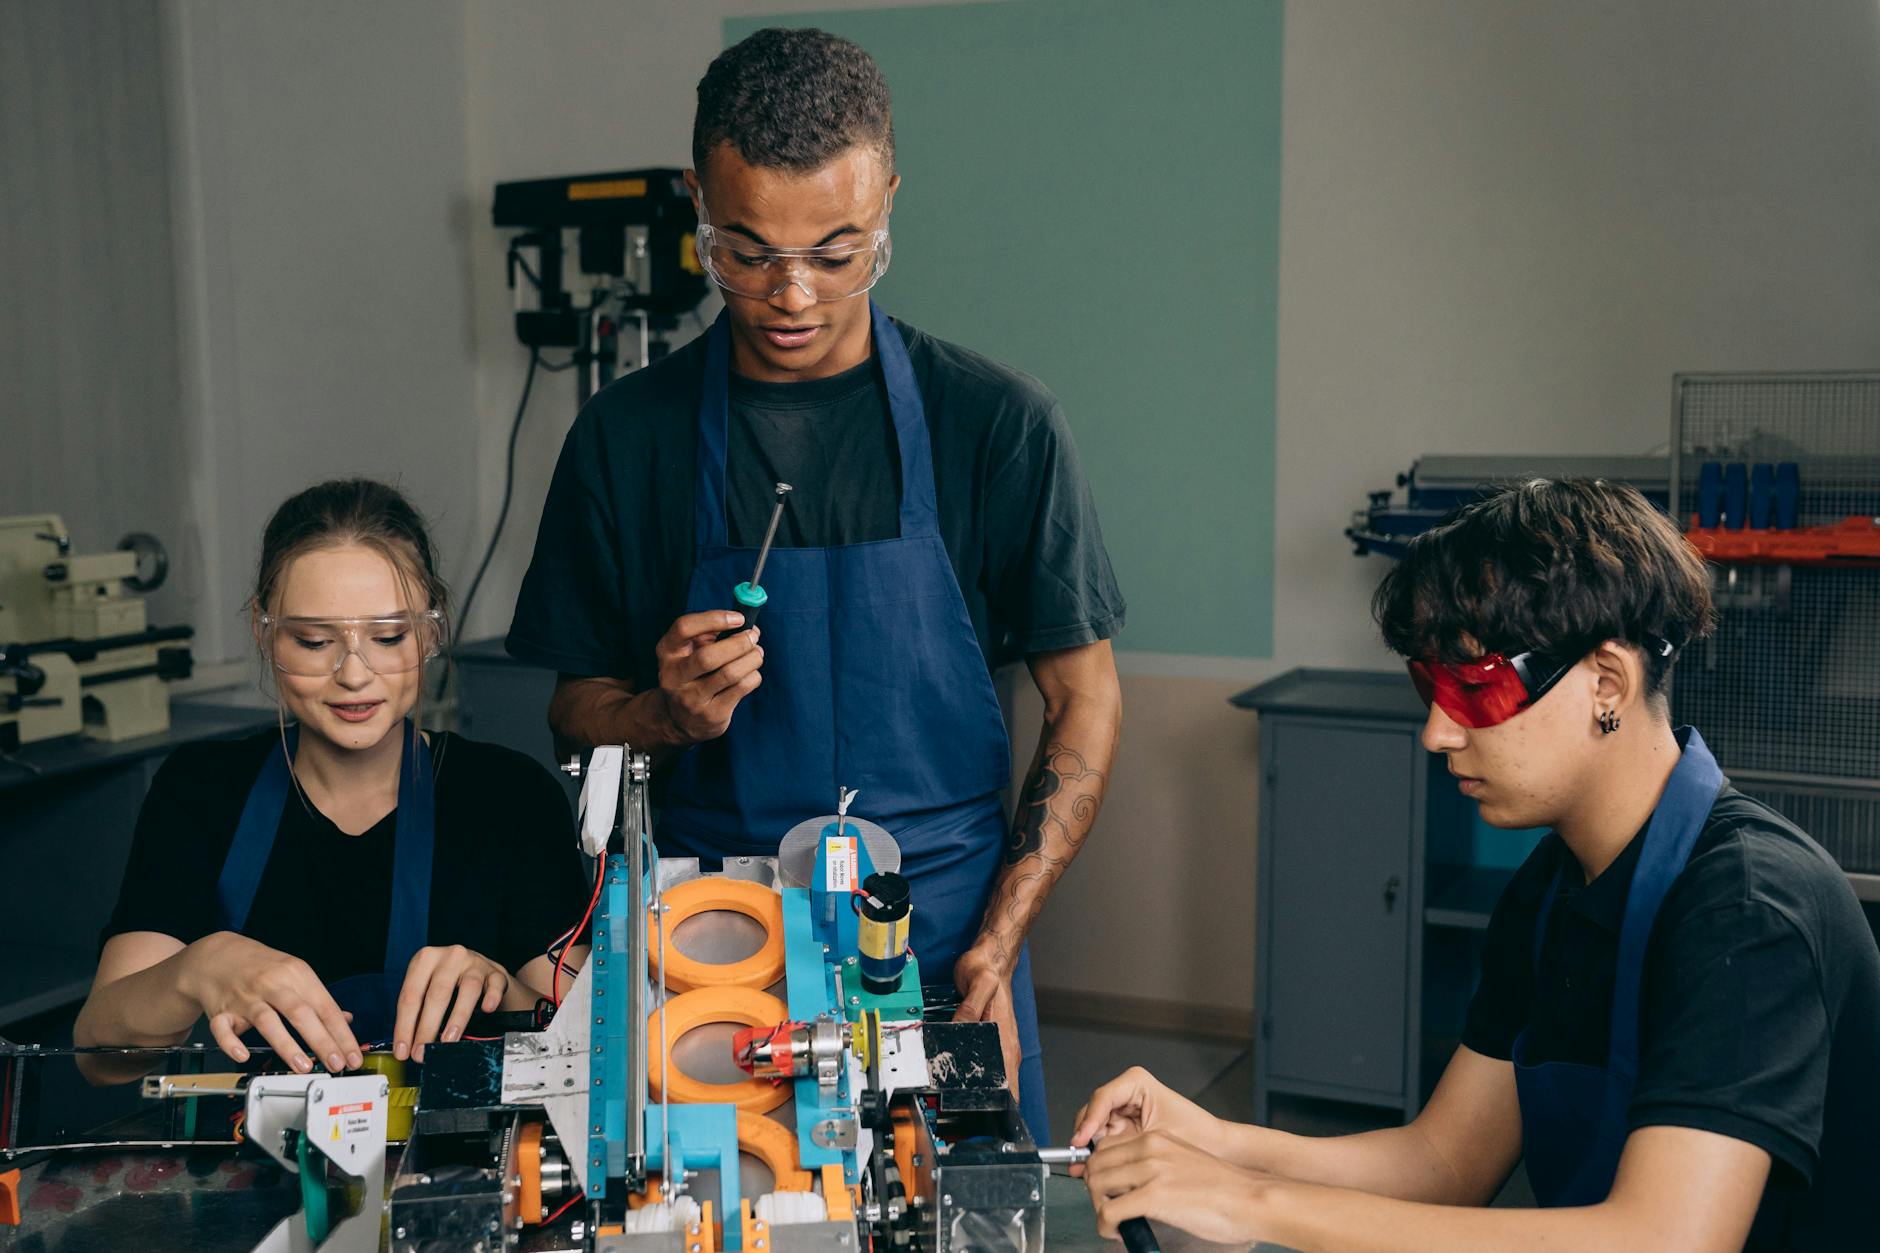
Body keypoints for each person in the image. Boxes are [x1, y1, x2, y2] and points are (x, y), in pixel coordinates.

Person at [507, 27, 1125, 1141]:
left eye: (838, 252)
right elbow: (569, 711)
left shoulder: (994, 424)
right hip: (710, 947)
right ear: (698, 200)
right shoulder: (622, 441)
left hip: (936, 934)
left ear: (888, 194)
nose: (791, 295)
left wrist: (1000, 931)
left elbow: (1086, 697)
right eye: (743, 252)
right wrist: (659, 714)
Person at [1073, 480, 1880, 1250]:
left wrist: (1251, 1201)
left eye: (1476, 690)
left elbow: (1659, 1239)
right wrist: (1216, 1145)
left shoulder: (1746, 908)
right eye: (1431, 686)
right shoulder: (1550, 890)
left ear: (1608, 683)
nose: (1437, 732)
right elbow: (1445, 1162)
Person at [74, 479, 591, 1084]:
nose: (353, 674)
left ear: (430, 633)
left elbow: (587, 1047)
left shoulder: (509, 797)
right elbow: (100, 1057)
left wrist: (496, 987)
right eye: (315, 641)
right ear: (265, 636)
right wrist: (197, 968)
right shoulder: (202, 790)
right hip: (253, 1163)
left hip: (452, 1168)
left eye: (388, 637)